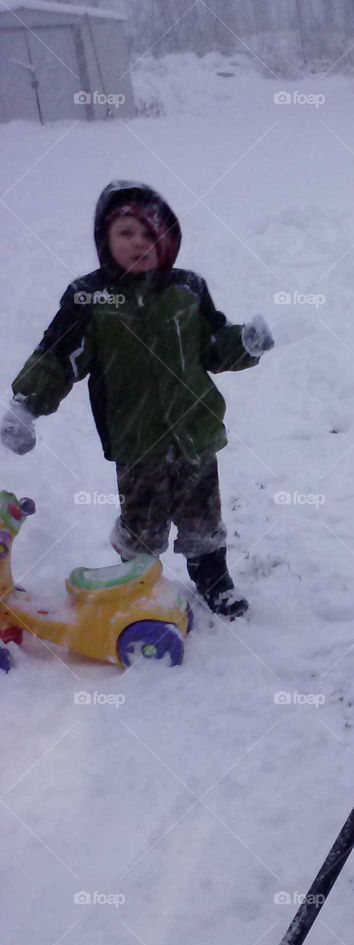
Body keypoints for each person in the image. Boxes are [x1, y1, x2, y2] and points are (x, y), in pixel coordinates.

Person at [0, 180, 274, 619]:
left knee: (203, 517)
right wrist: (24, 406)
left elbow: (212, 345)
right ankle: (137, 589)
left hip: (195, 433)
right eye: (127, 233)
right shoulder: (90, 298)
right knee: (142, 526)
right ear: (105, 238)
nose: (140, 243)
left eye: (151, 234)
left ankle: (215, 581)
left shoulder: (188, 289)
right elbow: (57, 355)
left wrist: (246, 343)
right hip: (136, 440)